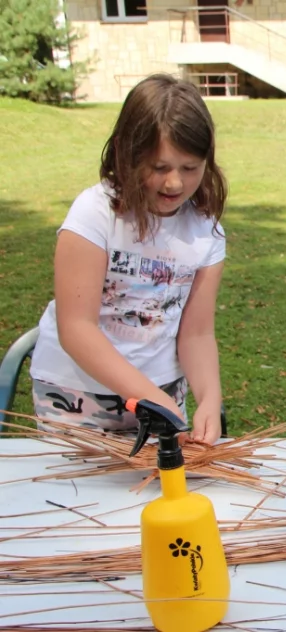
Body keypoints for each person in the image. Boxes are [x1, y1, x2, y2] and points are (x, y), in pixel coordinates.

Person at [29, 74, 228, 444]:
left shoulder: (206, 232)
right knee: (80, 500)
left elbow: (197, 333)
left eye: (190, 168)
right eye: (159, 167)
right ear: (126, 153)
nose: (174, 184)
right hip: (77, 397)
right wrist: (149, 397)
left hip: (164, 393)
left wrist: (209, 398)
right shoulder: (95, 214)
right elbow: (77, 329)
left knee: (162, 498)